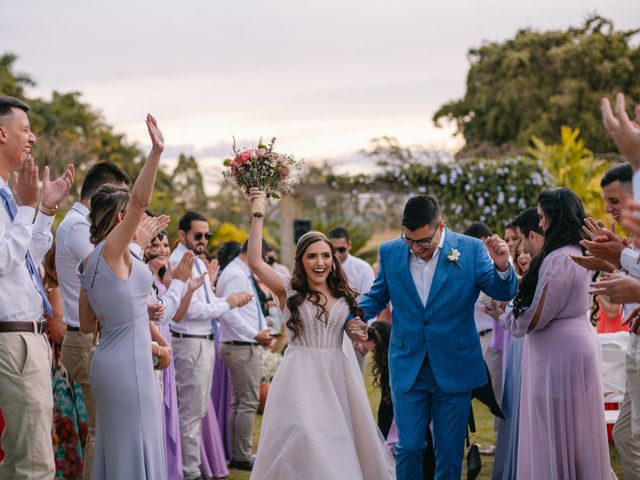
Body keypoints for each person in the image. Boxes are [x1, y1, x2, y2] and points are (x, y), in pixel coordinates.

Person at [357, 194, 518, 479]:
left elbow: (502, 292)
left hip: (454, 365)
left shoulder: (469, 250)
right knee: (408, 447)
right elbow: (377, 294)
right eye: (409, 240)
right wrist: (354, 316)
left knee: (449, 451)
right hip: (408, 365)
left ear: (440, 227)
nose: (416, 248)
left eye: (423, 242)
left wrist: (504, 266)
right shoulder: (391, 251)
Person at [247, 188, 395, 480]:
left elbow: (354, 330)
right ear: (301, 260)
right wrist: (258, 211)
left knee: (335, 439)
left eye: (326, 256)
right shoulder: (289, 289)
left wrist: (358, 329)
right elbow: (254, 261)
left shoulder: (343, 294)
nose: (320, 262)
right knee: (303, 433)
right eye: (312, 256)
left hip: (337, 373)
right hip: (300, 374)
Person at [77, 114, 168, 479]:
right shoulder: (113, 251)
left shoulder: (90, 261)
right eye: (130, 214)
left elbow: (86, 323)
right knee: (137, 443)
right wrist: (156, 152)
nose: (138, 214)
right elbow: (140, 200)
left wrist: (134, 307)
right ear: (119, 218)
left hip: (108, 360)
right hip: (129, 366)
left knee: (120, 446)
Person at [507, 188, 610, 479]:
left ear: (554, 217)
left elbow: (539, 313)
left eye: (542, 217)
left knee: (553, 431)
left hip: (558, 355)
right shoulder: (579, 252)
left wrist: (508, 319)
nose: (539, 224)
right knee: (574, 432)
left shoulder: (560, 259)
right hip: (574, 345)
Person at [0, 95, 74, 479]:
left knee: (18, 458)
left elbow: (27, 257)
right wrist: (28, 206)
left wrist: (42, 211)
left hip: (28, 338)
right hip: (11, 339)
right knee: (35, 463)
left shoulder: (8, 195)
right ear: (1, 133)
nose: (31, 139)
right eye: (25, 130)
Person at [55, 161, 131, 478]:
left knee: (106, 429)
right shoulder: (76, 226)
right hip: (86, 339)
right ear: (105, 193)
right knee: (102, 431)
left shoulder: (81, 225)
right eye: (123, 201)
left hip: (91, 337)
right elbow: (106, 273)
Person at [169, 211, 252, 480]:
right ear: (182, 235)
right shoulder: (176, 262)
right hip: (189, 343)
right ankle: (188, 471)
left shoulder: (201, 264)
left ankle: (190, 468)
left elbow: (207, 301)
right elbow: (192, 310)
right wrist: (230, 302)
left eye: (207, 235)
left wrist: (217, 290)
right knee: (190, 413)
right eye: (198, 235)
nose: (204, 239)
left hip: (204, 342)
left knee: (199, 410)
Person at [490, 210, 543, 480]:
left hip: (528, 344)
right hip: (516, 346)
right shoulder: (517, 282)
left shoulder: (539, 278)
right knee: (512, 401)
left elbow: (524, 318)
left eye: (526, 250)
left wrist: (501, 315)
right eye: (519, 251)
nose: (522, 255)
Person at [216, 240, 274, 472]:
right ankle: (241, 455)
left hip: (241, 343)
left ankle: (237, 451)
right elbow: (228, 312)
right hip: (241, 345)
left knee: (239, 402)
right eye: (264, 258)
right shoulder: (237, 275)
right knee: (248, 402)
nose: (264, 263)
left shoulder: (240, 273)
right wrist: (254, 334)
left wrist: (263, 325)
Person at [328, 226, 375, 373]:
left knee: (354, 378)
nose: (336, 254)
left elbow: (371, 300)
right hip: (328, 332)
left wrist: (366, 336)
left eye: (341, 249)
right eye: (332, 249)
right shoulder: (322, 268)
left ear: (349, 245)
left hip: (355, 330)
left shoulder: (363, 268)